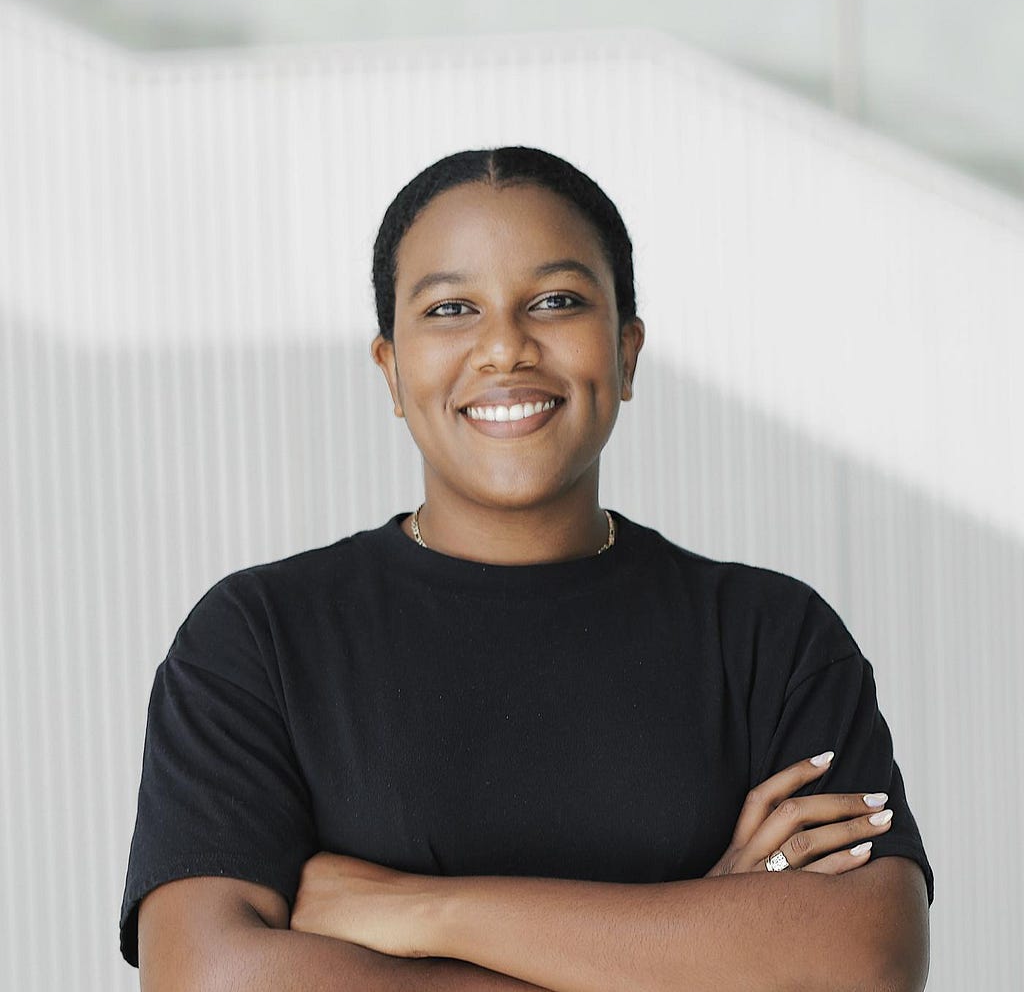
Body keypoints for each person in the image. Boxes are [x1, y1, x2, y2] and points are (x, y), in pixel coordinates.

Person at [121, 146, 932, 990]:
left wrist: (421, 909)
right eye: (450, 308)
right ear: (392, 368)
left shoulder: (773, 636)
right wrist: (695, 945)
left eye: (556, 300)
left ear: (627, 351)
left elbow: (866, 964)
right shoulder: (258, 638)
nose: (505, 347)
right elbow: (207, 977)